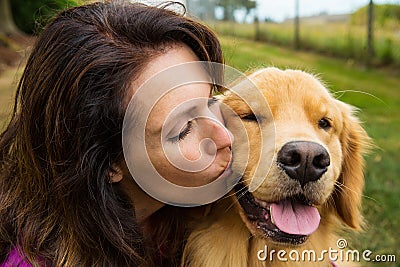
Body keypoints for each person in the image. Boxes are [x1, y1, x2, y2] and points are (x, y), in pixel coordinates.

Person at [0, 2, 233, 266]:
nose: (226, 136)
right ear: (108, 162)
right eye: (183, 130)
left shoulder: (193, 215)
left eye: (212, 101)